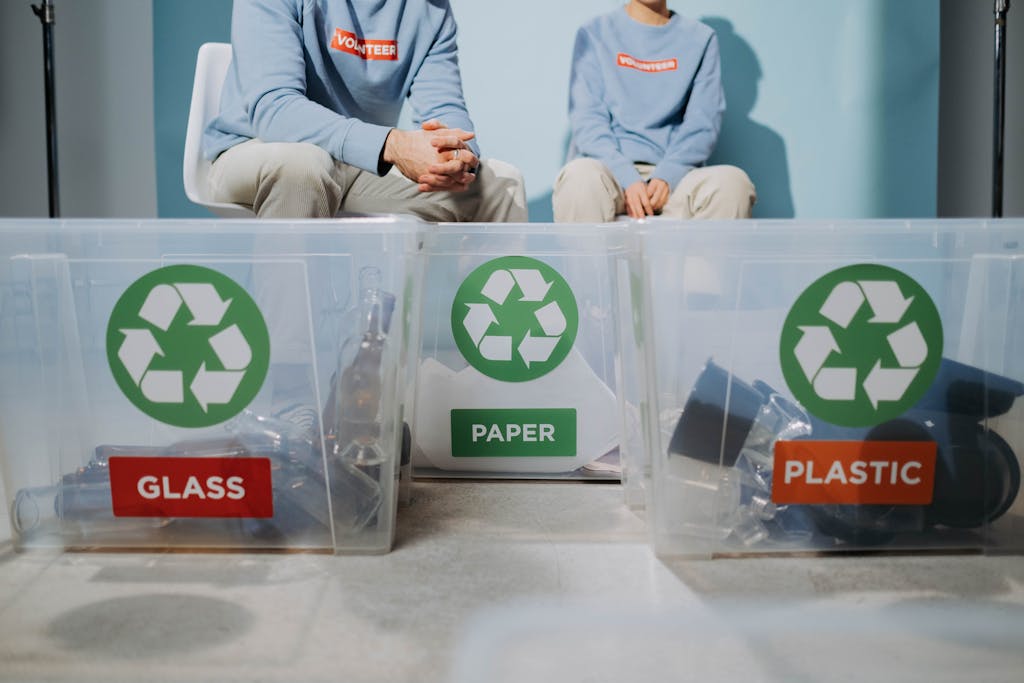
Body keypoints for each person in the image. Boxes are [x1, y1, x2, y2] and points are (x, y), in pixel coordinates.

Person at [203, 0, 527, 222]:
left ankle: (475, 321)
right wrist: (393, 145)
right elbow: (274, 109)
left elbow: (444, 107)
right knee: (304, 163)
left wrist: (455, 158)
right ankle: (289, 324)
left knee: (499, 185)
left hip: (359, 166)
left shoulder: (431, 9)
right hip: (256, 149)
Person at [553, 1, 756, 222]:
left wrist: (669, 175)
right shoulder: (594, 33)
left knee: (732, 183)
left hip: (677, 180)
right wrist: (627, 178)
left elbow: (703, 124)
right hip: (609, 175)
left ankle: (700, 259)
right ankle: (589, 258)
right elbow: (587, 120)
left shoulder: (701, 39)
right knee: (579, 177)